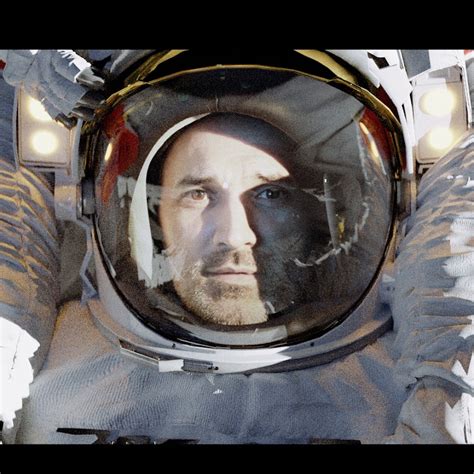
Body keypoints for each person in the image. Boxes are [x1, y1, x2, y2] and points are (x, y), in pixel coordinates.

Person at [1, 49, 474, 445]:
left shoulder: (418, 375)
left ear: (318, 211)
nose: (235, 234)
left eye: (270, 194)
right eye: (198, 194)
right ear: (149, 215)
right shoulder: (31, 362)